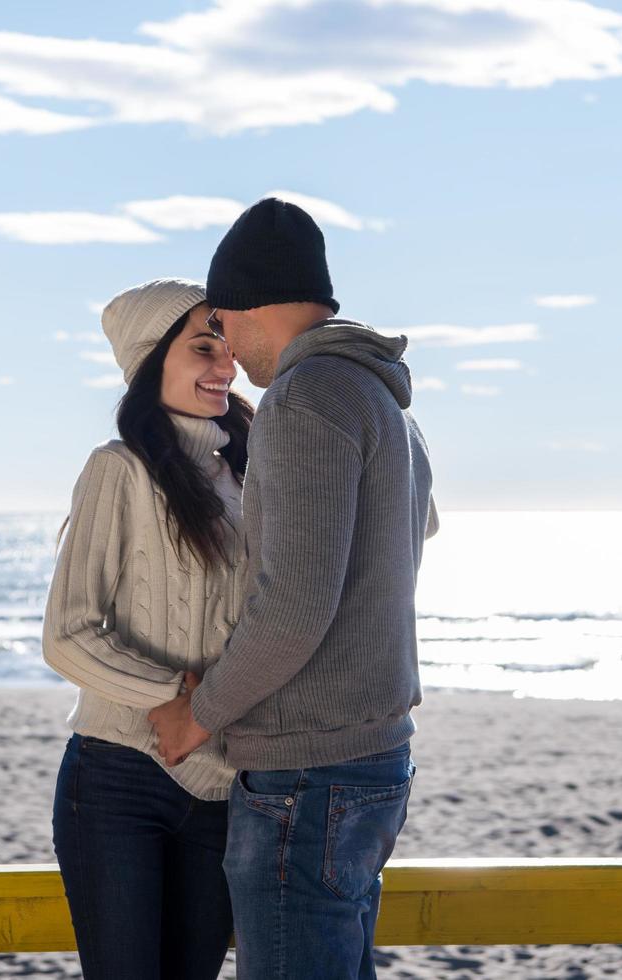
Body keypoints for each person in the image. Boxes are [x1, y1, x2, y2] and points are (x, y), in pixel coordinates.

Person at [149, 199, 439, 980]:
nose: (231, 355)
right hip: (374, 758)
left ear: (249, 307)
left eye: (224, 325)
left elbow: (293, 606)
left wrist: (195, 716)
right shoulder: (382, 400)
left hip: (309, 774)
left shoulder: (305, 397)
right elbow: (407, 542)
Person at [43, 278, 251, 980]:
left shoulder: (253, 473)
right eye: (201, 347)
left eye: (226, 344)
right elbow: (66, 633)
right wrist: (172, 695)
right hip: (118, 781)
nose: (224, 363)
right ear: (147, 361)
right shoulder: (118, 469)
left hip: (228, 790)